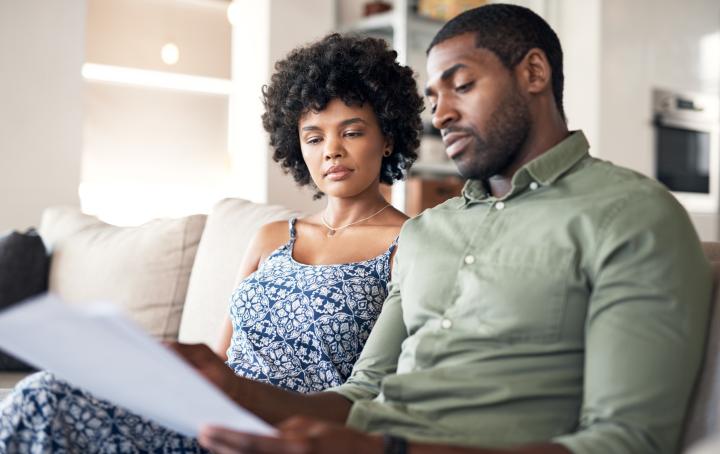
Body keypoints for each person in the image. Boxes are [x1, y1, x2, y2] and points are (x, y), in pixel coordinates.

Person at [166, 4, 712, 454]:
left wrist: (384, 451)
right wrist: (234, 389)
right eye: (433, 99)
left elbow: (627, 442)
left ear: (534, 73)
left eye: (462, 85)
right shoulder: (431, 233)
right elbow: (361, 394)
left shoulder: (630, 217)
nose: (442, 114)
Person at [0, 33, 423, 452]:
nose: (331, 150)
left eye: (351, 132)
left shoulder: (408, 245)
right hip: (203, 412)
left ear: (387, 137)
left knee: (46, 401)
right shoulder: (272, 237)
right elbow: (221, 357)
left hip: (282, 430)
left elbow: (375, 386)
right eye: (314, 138)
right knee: (45, 389)